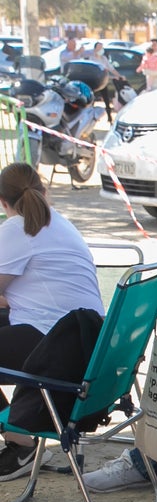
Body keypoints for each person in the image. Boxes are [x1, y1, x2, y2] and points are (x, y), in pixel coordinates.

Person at [0, 163, 104, 480]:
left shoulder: (15, 229)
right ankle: (20, 435)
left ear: (3, 203)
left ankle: (20, 442)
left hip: (56, 349)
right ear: (43, 191)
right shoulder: (60, 223)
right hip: (88, 343)